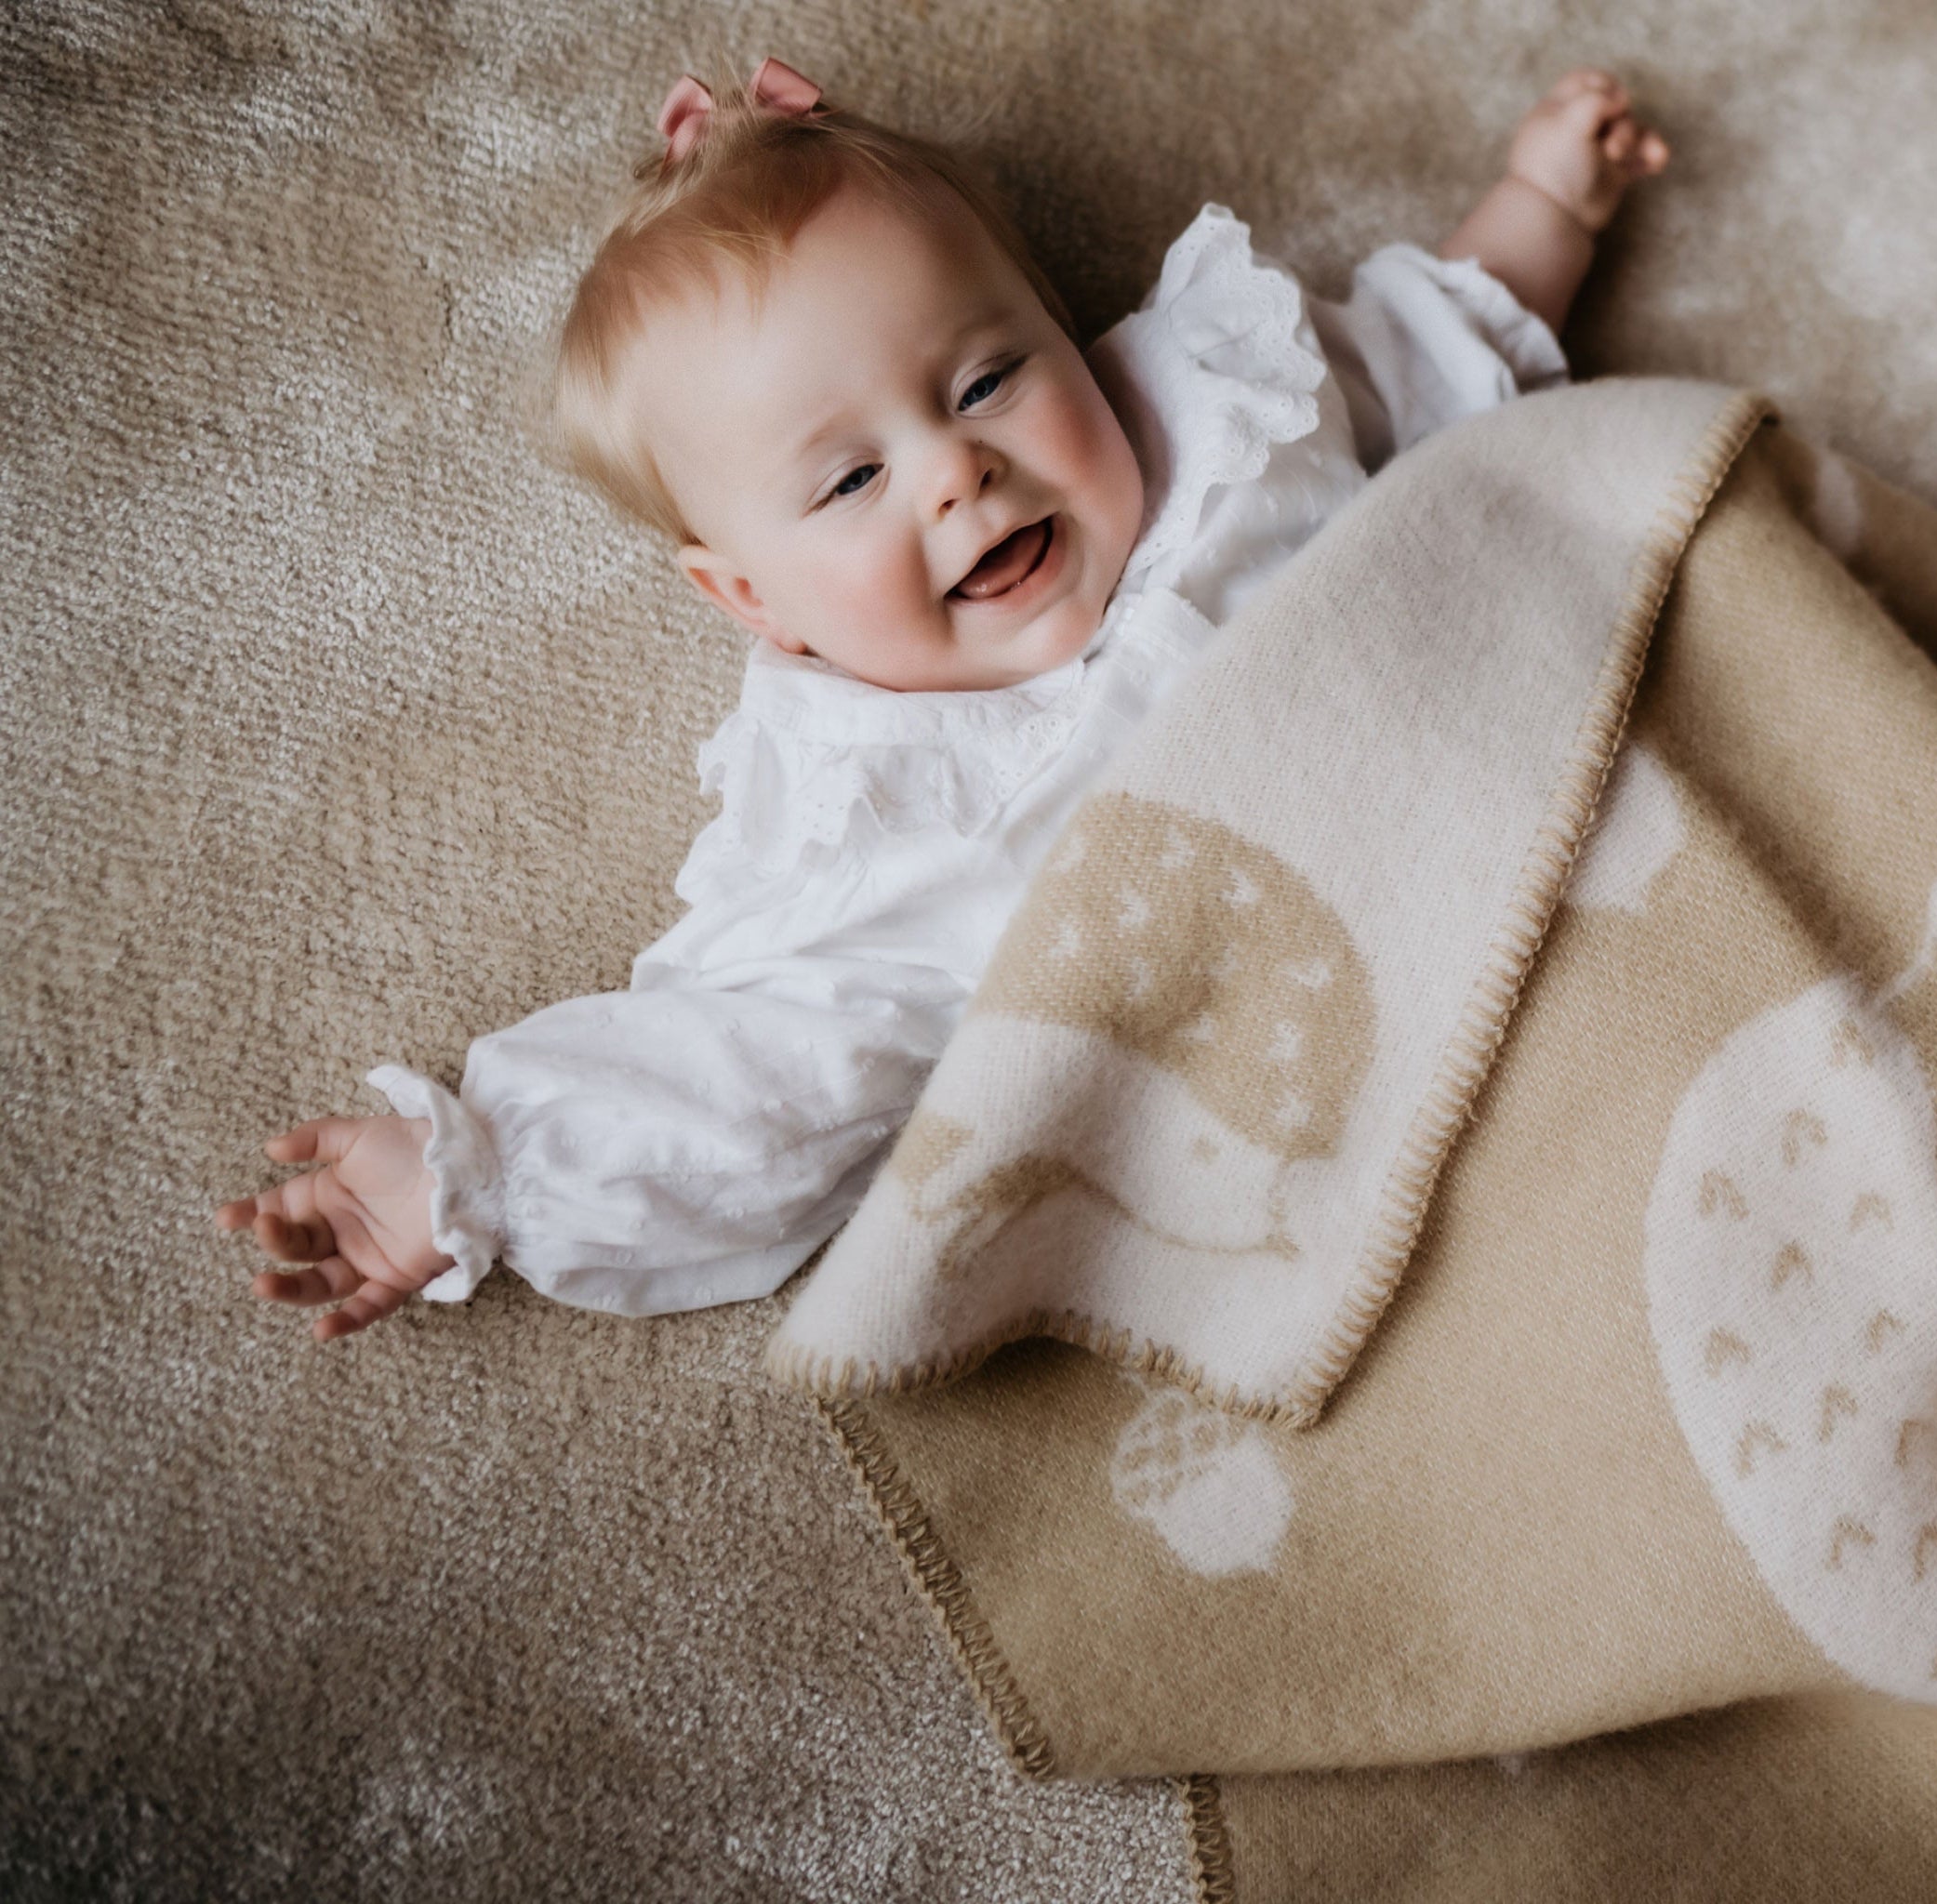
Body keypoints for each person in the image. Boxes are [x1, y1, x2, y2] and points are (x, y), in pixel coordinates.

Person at [213, 58, 1668, 1340]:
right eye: (849, 480)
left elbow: (1421, 355)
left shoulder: (1222, 421)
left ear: (1061, 329)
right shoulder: (881, 809)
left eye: (985, 379)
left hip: (1565, 828)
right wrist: (477, 1173)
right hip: (1359, 1086)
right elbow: (760, 1076)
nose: (953, 469)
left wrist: (1546, 208)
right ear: (753, 601)